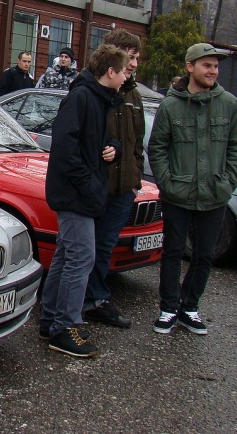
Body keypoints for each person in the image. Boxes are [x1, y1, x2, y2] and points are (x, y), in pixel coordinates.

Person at [148, 43, 237, 336]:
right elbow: (158, 148)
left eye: (216, 66)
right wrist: (167, 181)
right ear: (190, 67)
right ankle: (168, 309)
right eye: (207, 65)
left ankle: (190, 307)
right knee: (172, 252)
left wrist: (227, 182)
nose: (213, 71)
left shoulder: (229, 104)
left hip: (214, 195)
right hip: (178, 193)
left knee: (204, 254)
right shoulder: (171, 105)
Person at [39, 44, 129, 358]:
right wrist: (89, 185)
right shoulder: (80, 97)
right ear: (111, 72)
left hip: (82, 192)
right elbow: (65, 150)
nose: (127, 77)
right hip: (75, 195)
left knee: (66, 256)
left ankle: (50, 318)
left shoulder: (101, 99)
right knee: (82, 259)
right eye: (125, 71)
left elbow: (96, 139)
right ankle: (65, 327)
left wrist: (112, 147)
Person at [82, 29, 145, 329]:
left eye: (136, 58)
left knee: (105, 245)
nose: (133, 64)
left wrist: (135, 182)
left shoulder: (133, 94)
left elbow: (138, 142)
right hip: (98, 184)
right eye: (129, 57)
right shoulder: (93, 89)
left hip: (123, 187)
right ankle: (83, 300)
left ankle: (95, 298)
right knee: (86, 246)